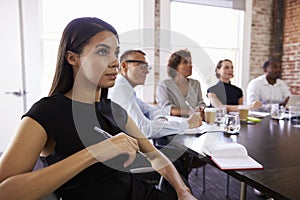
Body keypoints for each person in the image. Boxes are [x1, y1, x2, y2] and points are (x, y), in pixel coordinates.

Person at [0, 17, 197, 200]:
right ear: (72, 58)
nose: (114, 62)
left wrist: (183, 191)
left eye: (116, 53)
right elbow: (4, 191)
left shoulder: (114, 110)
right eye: (103, 52)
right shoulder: (47, 112)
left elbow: (154, 155)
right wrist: (94, 153)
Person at [108, 49, 202, 139]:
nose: (147, 71)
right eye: (142, 66)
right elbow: (144, 129)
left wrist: (160, 119)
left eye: (147, 67)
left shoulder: (127, 88)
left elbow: (149, 110)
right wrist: (187, 124)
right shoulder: (120, 88)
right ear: (124, 66)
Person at [156, 49, 206, 117]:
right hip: (173, 123)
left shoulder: (196, 84)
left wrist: (202, 108)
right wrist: (188, 112)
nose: (190, 65)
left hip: (195, 122)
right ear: (175, 66)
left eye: (190, 62)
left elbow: (200, 102)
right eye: (185, 62)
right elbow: (165, 108)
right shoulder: (164, 85)